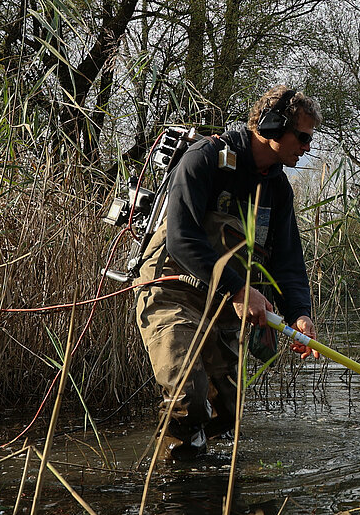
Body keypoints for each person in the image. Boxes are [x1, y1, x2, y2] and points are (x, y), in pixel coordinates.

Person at [135, 85, 320, 461]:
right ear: (271, 128)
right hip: (170, 291)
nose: (307, 146)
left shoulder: (278, 189)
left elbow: (288, 263)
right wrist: (239, 290)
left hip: (220, 305)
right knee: (187, 399)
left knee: (227, 414)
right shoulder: (205, 159)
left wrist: (300, 314)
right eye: (301, 136)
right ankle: (175, 492)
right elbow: (181, 240)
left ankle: (214, 495)